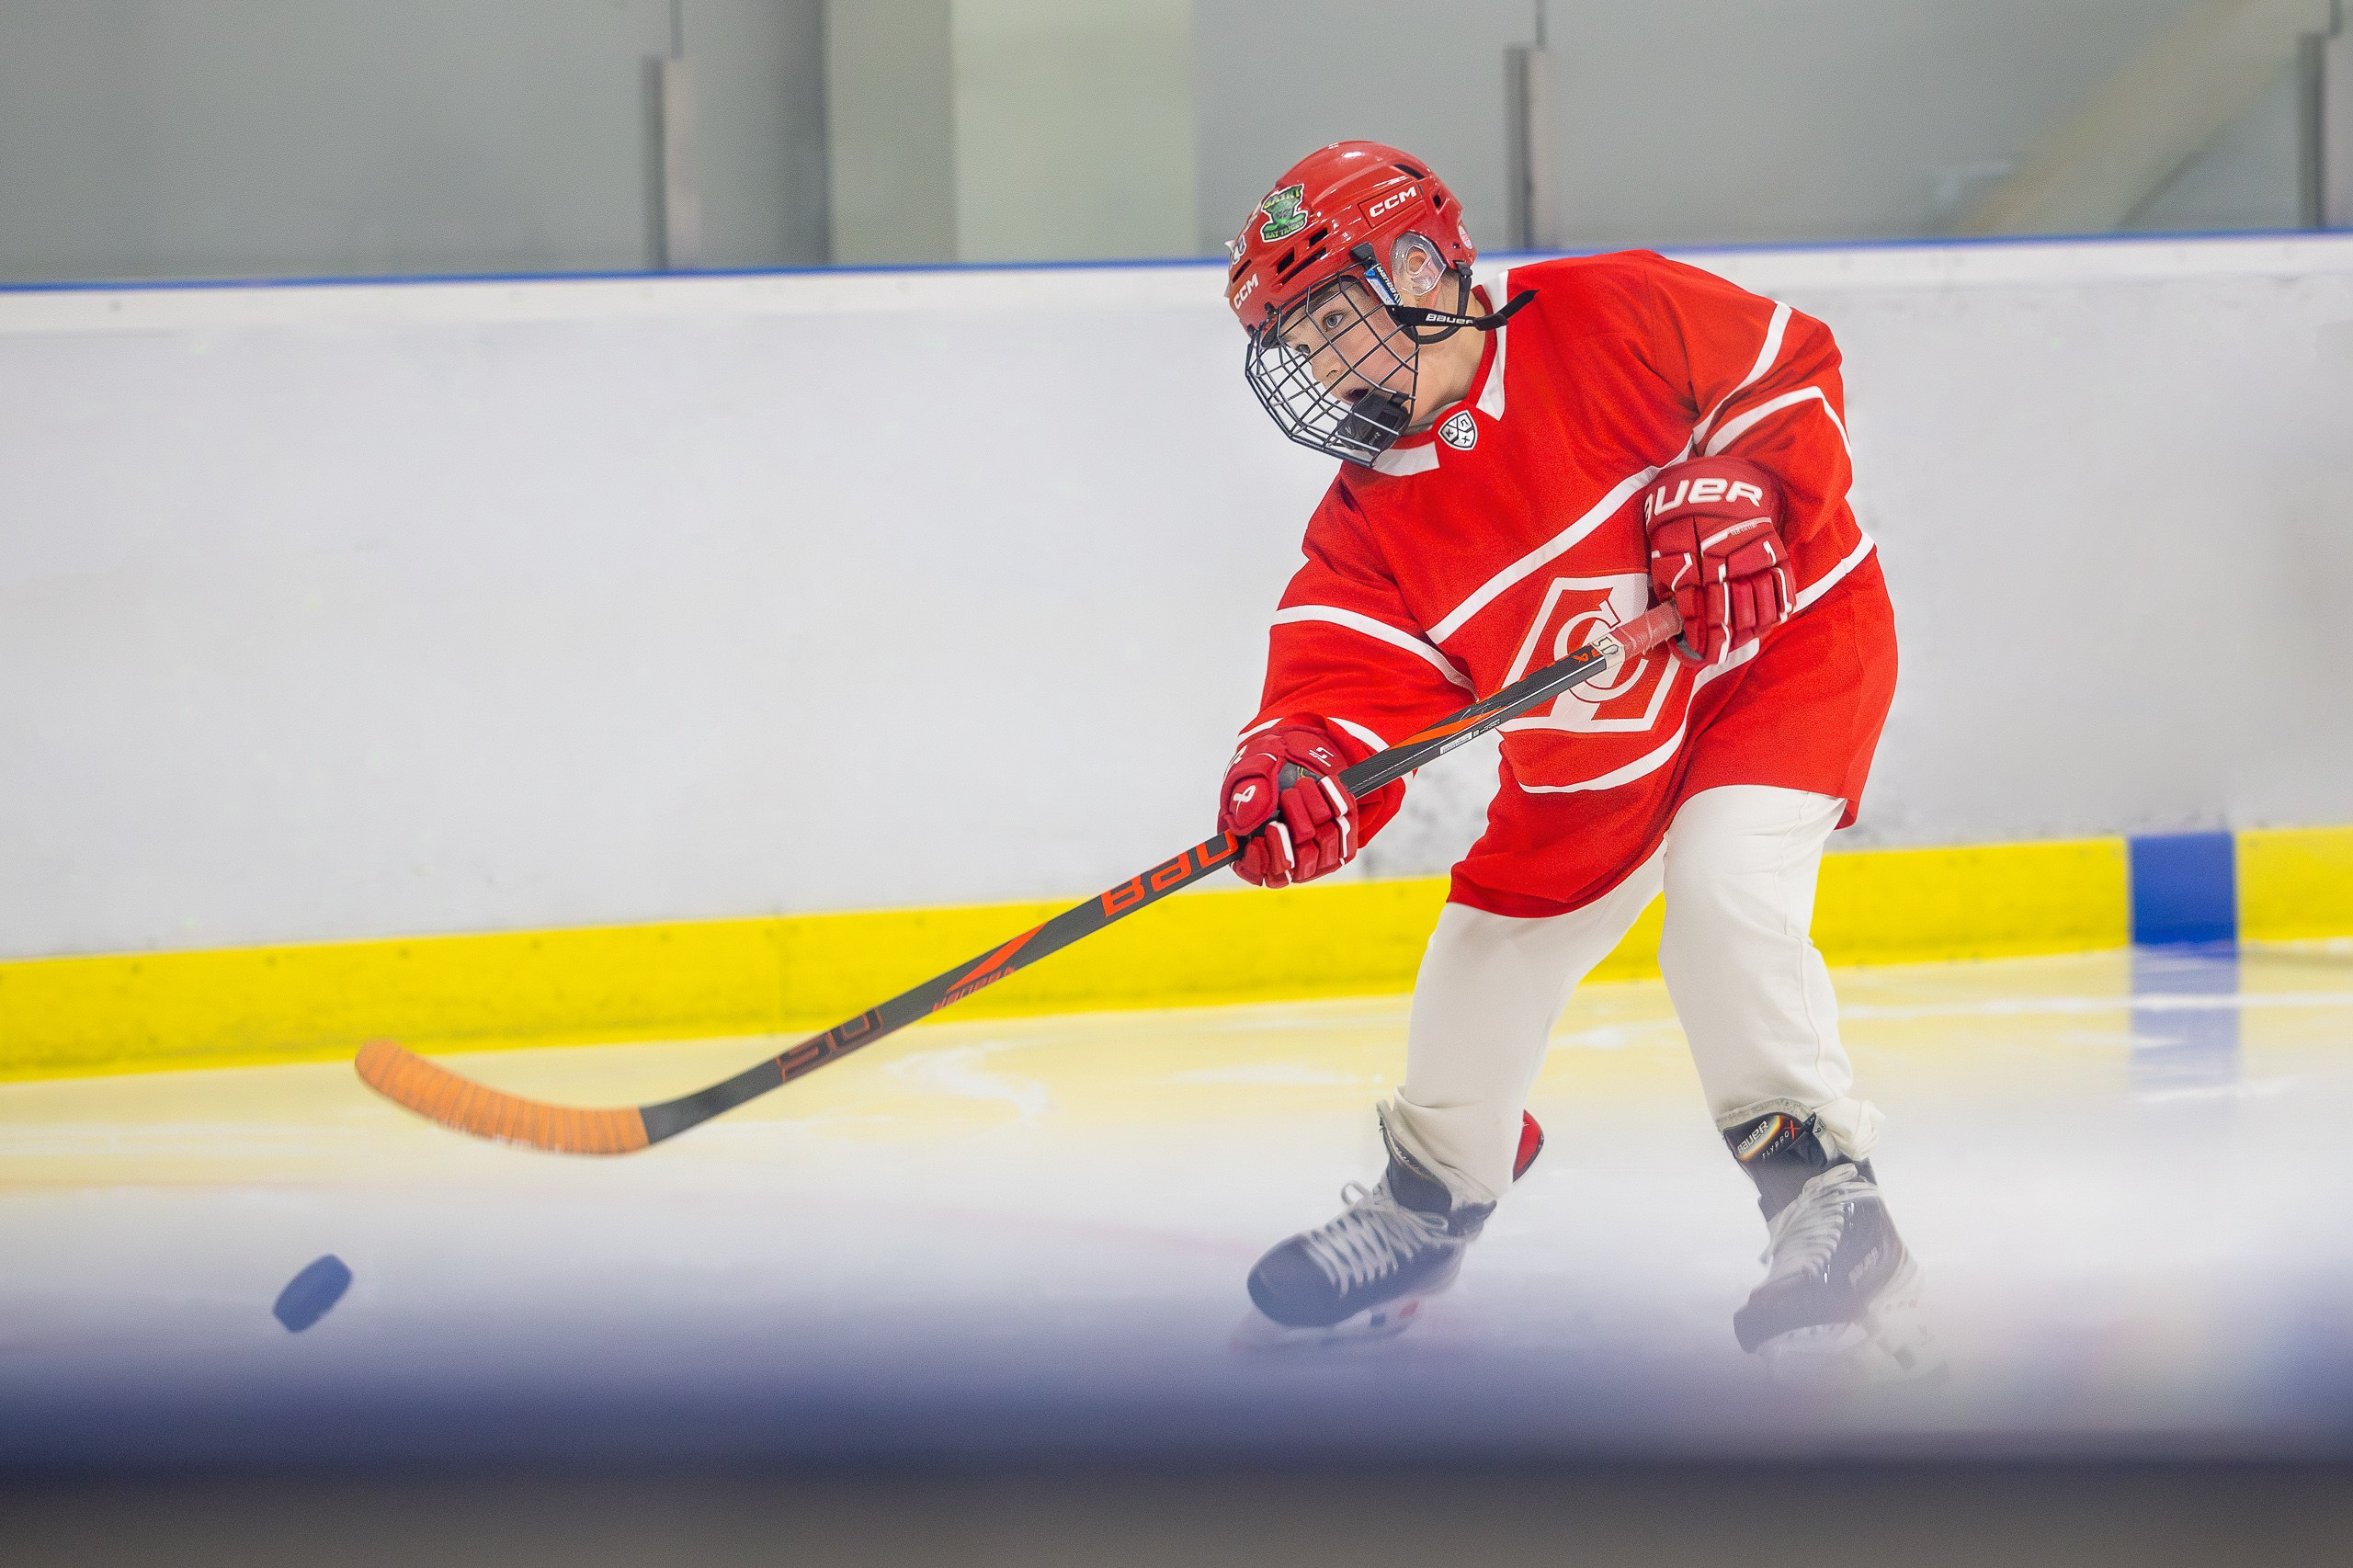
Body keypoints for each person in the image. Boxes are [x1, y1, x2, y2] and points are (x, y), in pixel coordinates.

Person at [1215, 141, 1927, 1381]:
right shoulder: (1369, 520)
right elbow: (1343, 682)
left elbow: (1789, 371)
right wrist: (1303, 764)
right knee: (1485, 949)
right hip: (1594, 751)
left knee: (1722, 894)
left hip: (1781, 662)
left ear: (1424, 267)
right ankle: (1429, 1202)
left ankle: (1829, 1202)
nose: (1323, 362)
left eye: (1332, 319)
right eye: (1300, 339)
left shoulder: (1608, 312)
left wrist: (1741, 484)